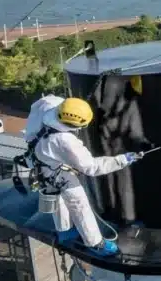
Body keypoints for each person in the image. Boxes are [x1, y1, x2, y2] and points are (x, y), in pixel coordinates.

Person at [24, 95, 140, 257]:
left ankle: (64, 231)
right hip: (53, 167)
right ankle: (95, 243)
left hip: (37, 159)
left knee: (55, 195)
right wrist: (122, 160)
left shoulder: (49, 104)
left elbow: (41, 102)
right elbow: (91, 167)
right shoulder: (64, 140)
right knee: (78, 202)